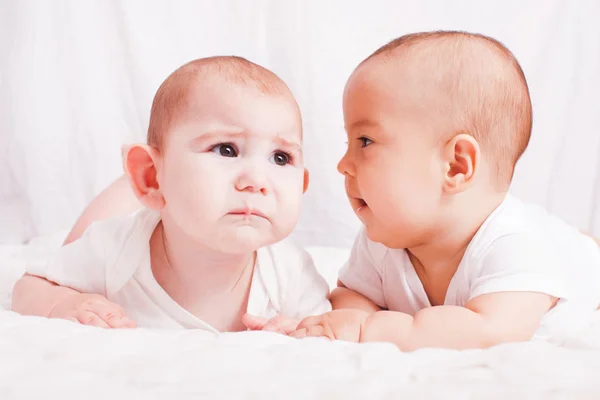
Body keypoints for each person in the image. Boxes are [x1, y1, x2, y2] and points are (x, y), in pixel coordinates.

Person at [11, 56, 331, 332]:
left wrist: (300, 331)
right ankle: (134, 187)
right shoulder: (111, 249)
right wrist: (65, 302)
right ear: (152, 175)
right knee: (85, 232)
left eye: (281, 158)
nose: (257, 181)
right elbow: (29, 286)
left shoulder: (289, 272)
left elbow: (325, 326)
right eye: (226, 149)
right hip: (134, 208)